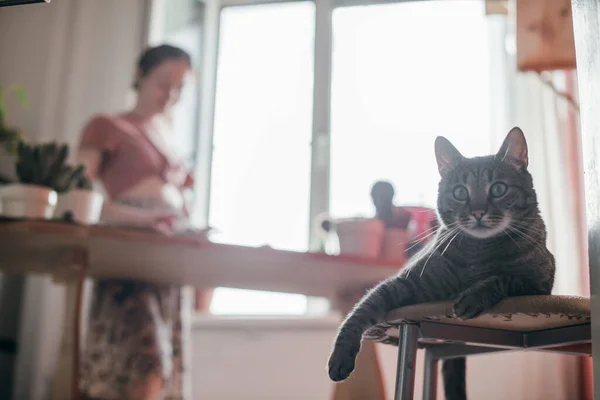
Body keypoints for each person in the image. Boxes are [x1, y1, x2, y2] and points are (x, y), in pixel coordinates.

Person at [76, 44, 195, 400]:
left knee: (165, 370)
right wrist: (141, 217)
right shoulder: (107, 126)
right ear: (140, 76)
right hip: (127, 256)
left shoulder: (170, 142)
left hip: (168, 266)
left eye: (179, 88)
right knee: (142, 362)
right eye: (163, 83)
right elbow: (77, 197)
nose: (171, 95)